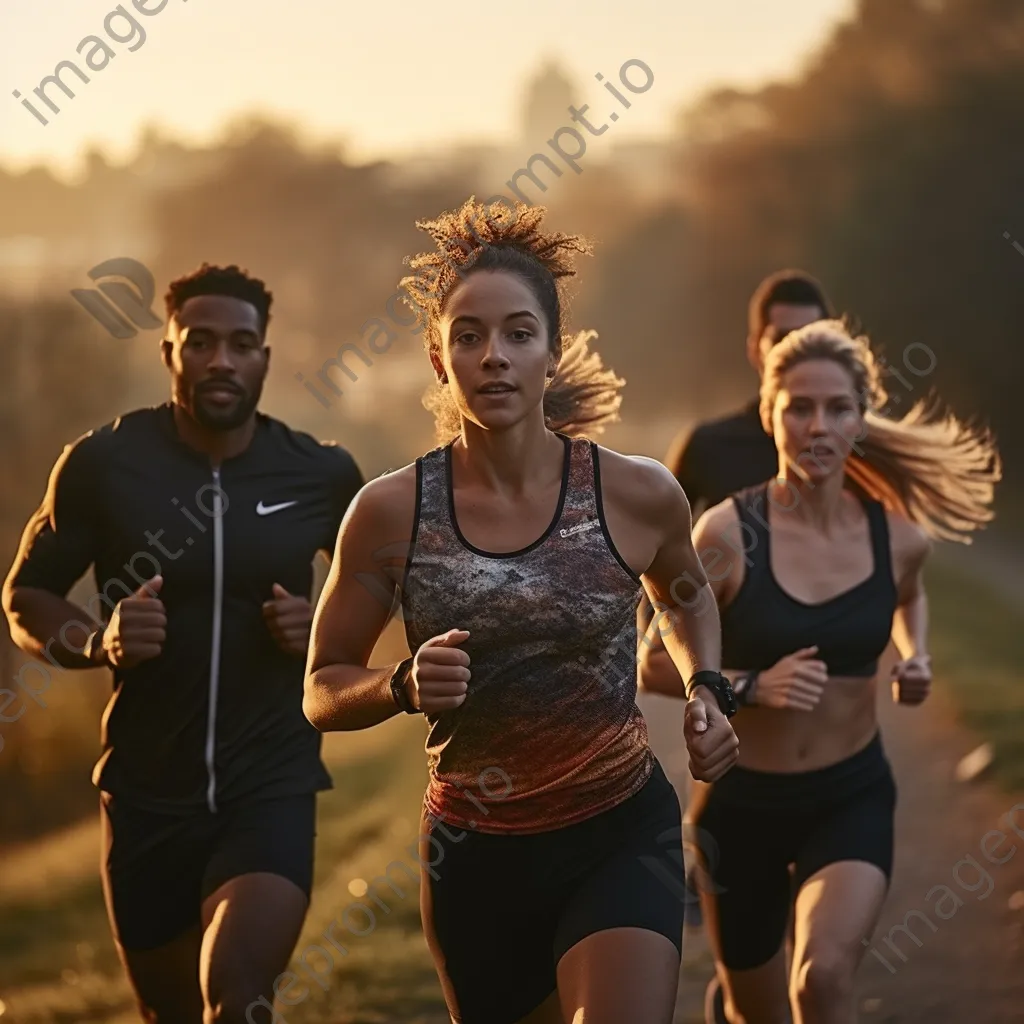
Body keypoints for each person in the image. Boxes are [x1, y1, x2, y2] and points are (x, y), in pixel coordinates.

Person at [302, 197, 741, 1024]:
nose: (492, 357)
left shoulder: (636, 492)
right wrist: (397, 684)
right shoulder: (390, 513)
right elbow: (320, 688)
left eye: (517, 333)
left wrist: (706, 687)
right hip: (474, 857)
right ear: (439, 358)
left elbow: (684, 595)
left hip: (619, 830)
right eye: (467, 336)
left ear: (553, 349)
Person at [2, 264, 364, 1024]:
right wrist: (99, 641)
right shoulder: (103, 465)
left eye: (242, 344)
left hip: (271, 782)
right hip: (143, 794)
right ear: (168, 351)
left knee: (234, 992)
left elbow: (386, 597)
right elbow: (26, 596)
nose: (222, 360)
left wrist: (320, 634)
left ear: (266, 356)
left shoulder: (321, 475)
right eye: (200, 342)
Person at [639, 320, 1000, 1024]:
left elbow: (909, 593)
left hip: (850, 797)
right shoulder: (726, 536)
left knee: (823, 978)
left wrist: (915, 651)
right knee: (758, 1013)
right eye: (798, 408)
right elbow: (653, 662)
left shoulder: (896, 537)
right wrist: (747, 688)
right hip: (740, 812)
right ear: (770, 415)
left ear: (862, 418)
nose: (818, 426)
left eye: (838, 408)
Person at [665, 269, 835, 521]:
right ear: (755, 349)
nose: (798, 354)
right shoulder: (708, 448)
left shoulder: (854, 446)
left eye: (811, 339)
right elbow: (658, 550)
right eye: (783, 339)